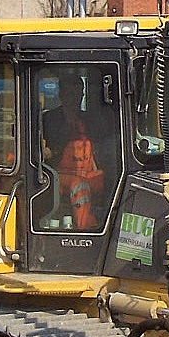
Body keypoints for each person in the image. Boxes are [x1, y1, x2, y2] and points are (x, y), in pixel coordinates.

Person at [42, 73, 104, 230]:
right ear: (61, 95)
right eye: (71, 94)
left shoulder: (89, 119)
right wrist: (52, 150)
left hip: (89, 173)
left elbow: (97, 148)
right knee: (79, 186)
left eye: (79, 94)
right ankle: (86, 230)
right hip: (58, 175)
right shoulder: (49, 119)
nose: (76, 98)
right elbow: (40, 151)